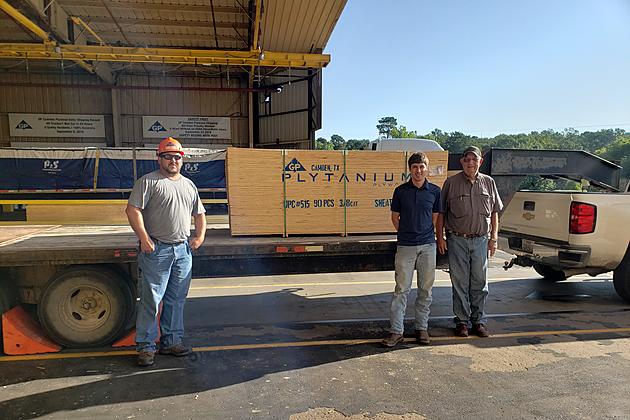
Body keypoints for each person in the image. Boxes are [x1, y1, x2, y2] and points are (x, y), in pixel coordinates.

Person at [126, 137, 207, 367]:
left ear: (182, 160)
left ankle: (171, 341)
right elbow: (132, 210)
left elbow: (199, 213)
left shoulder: (188, 185)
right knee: (151, 300)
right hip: (157, 250)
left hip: (182, 250)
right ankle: (146, 346)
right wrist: (144, 239)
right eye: (168, 156)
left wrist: (200, 236)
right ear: (159, 158)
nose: (173, 161)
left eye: (177, 157)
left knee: (176, 299)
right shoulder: (149, 182)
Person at [436, 146, 503, 338]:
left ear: (480, 162)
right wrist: (440, 237)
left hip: (481, 240)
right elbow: (441, 213)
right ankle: (462, 322)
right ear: (462, 162)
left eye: (474, 159)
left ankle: (479, 321)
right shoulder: (451, 183)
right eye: (467, 160)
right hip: (457, 239)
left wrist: (494, 238)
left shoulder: (489, 183)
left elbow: (494, 213)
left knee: (480, 282)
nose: (471, 163)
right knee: (459, 282)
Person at [381, 152, 441, 347]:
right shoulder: (400, 191)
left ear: (427, 168)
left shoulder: (434, 191)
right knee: (401, 290)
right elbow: (394, 217)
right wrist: (407, 233)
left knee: (425, 290)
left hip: (427, 246)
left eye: (422, 167)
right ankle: (397, 331)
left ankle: (421, 328)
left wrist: (423, 233)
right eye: (415, 167)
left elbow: (435, 218)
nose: (418, 170)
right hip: (406, 246)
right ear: (409, 169)